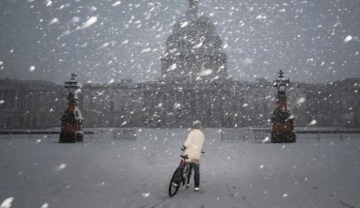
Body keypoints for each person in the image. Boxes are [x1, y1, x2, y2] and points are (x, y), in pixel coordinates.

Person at [182, 120, 205, 192]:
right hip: (196, 155)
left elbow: (188, 142)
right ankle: (196, 186)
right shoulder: (202, 135)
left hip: (188, 154)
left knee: (182, 165)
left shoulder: (192, 133)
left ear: (193, 126)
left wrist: (184, 146)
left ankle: (177, 180)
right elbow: (201, 145)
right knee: (196, 171)